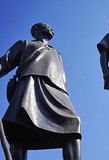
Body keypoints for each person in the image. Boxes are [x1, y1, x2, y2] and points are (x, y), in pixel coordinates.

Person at [0, 23, 81, 160]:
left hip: (57, 91)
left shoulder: (56, 52)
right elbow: (4, 63)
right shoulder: (25, 44)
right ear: (37, 30)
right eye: (47, 26)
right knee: (20, 131)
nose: (51, 28)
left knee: (73, 124)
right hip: (30, 86)